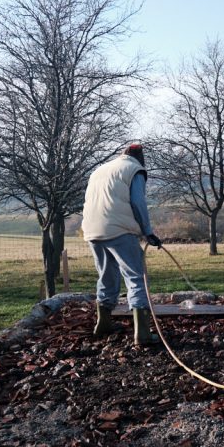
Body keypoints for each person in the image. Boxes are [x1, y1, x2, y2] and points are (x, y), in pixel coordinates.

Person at [81, 143, 163, 346]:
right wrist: (147, 231)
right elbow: (138, 202)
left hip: (92, 230)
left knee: (106, 275)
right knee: (136, 277)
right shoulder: (135, 169)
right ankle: (142, 334)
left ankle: (103, 323)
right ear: (139, 157)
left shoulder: (99, 170)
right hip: (119, 229)